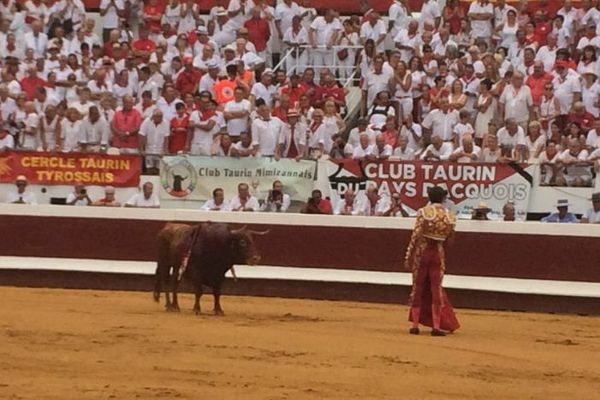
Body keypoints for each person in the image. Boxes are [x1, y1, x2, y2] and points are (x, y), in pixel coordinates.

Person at [404, 186, 460, 336]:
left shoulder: (423, 212)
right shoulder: (450, 216)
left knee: (418, 287)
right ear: (443, 198)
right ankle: (436, 327)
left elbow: (415, 236)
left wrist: (408, 256)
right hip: (438, 253)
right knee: (436, 289)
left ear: (429, 197)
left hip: (422, 252)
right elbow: (450, 241)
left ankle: (415, 326)